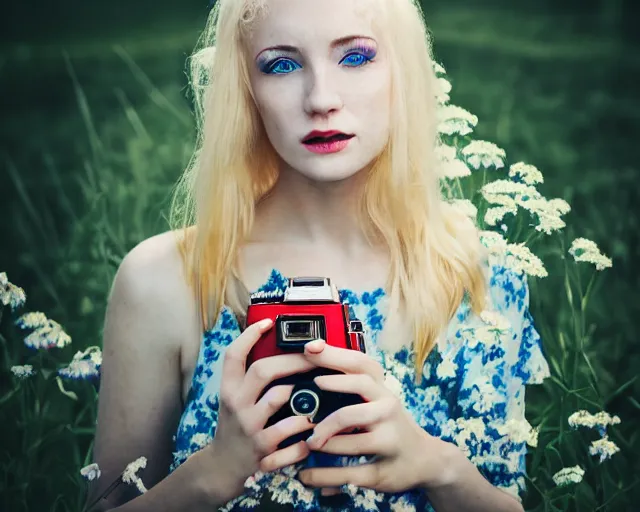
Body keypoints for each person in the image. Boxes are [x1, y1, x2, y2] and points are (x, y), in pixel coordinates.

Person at [86, 0, 551, 510]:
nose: (321, 99)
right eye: (281, 65)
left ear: (404, 71)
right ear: (246, 89)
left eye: (355, 57)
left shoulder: (477, 275)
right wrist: (213, 472)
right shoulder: (166, 281)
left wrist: (438, 467)